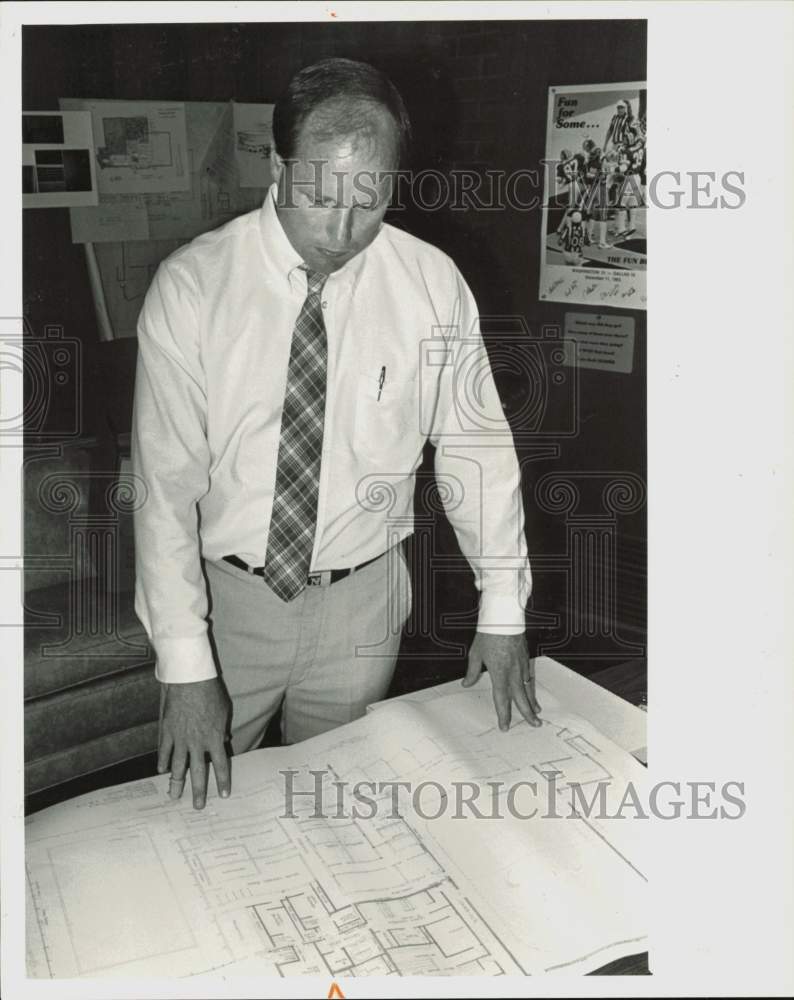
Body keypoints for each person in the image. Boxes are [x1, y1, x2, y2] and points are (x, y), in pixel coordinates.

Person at [132, 58, 539, 811]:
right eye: (320, 195)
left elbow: (474, 447)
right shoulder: (194, 287)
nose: (343, 231)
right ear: (279, 165)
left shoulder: (430, 282)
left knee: (339, 803)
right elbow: (165, 488)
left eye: (371, 198)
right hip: (228, 602)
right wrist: (184, 666)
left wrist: (503, 608)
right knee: (203, 811)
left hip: (365, 599)